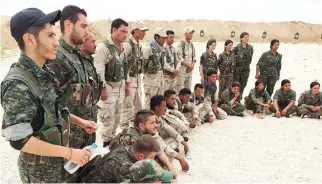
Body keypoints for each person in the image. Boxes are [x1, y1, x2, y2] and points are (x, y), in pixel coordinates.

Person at [1, 8, 94, 183]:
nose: (57, 43)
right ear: (29, 39)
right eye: (50, 36)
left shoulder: (43, 72)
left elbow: (54, 111)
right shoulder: (18, 84)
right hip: (41, 175)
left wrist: (80, 122)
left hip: (60, 168)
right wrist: (69, 153)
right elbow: (20, 140)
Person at [45, 5, 98, 149]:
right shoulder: (57, 58)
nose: (87, 31)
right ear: (68, 25)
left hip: (86, 133)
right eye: (83, 26)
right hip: (69, 139)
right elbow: (50, 107)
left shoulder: (77, 55)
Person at [108, 110, 178, 178]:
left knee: (164, 160)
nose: (156, 125)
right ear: (142, 126)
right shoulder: (134, 139)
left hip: (131, 160)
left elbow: (158, 150)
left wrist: (170, 167)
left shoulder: (144, 133)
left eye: (156, 122)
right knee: (157, 167)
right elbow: (144, 165)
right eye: (152, 123)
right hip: (120, 169)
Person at [94, 18, 130, 147]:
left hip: (119, 88)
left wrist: (127, 84)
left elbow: (125, 68)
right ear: (114, 30)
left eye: (127, 32)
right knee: (108, 121)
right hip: (108, 89)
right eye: (123, 31)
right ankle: (105, 148)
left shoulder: (123, 48)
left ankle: (112, 145)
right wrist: (102, 89)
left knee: (117, 119)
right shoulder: (103, 47)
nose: (125, 35)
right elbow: (99, 69)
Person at [90, 135, 161, 183]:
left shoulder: (130, 149)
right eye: (152, 158)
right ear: (141, 156)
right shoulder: (123, 166)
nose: (153, 160)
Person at [121, 21, 149, 129]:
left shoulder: (138, 44)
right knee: (127, 109)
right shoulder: (128, 44)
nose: (144, 33)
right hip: (129, 80)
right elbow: (122, 64)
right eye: (142, 31)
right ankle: (124, 133)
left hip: (137, 80)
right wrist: (125, 83)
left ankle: (136, 131)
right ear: (136, 30)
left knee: (138, 109)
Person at [79, 32, 102, 146]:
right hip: (79, 121)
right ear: (83, 43)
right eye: (92, 42)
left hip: (90, 117)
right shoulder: (77, 62)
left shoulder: (89, 61)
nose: (96, 44)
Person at [142, 27, 169, 108]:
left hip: (160, 81)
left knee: (159, 104)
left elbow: (163, 64)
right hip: (150, 83)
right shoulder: (148, 48)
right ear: (157, 37)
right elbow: (142, 65)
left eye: (165, 38)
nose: (164, 40)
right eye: (163, 38)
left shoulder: (162, 48)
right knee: (149, 104)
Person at [232, 32, 254, 98]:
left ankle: (239, 98)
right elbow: (232, 59)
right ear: (241, 38)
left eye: (248, 37)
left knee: (243, 85)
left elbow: (250, 58)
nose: (247, 38)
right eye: (245, 37)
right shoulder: (236, 48)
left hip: (246, 70)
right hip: (237, 70)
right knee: (235, 85)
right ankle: (233, 98)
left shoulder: (250, 48)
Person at [176, 26, 196, 91]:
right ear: (185, 34)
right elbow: (179, 57)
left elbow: (194, 57)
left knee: (188, 91)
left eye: (192, 33)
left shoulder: (192, 45)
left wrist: (192, 66)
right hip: (182, 72)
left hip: (189, 72)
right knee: (180, 91)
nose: (191, 35)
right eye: (190, 33)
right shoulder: (180, 44)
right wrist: (189, 66)